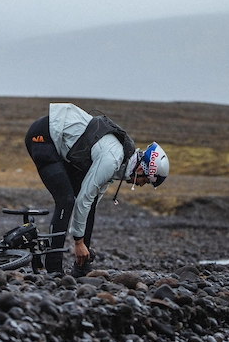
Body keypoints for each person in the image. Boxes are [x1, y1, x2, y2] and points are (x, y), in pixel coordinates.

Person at [24, 102, 169, 276]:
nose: (140, 185)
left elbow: (90, 202)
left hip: (59, 142)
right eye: (145, 181)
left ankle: (82, 266)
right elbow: (83, 198)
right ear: (141, 169)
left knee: (89, 204)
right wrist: (78, 242)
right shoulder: (113, 159)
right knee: (66, 200)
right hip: (43, 136)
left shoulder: (119, 164)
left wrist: (83, 242)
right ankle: (53, 267)